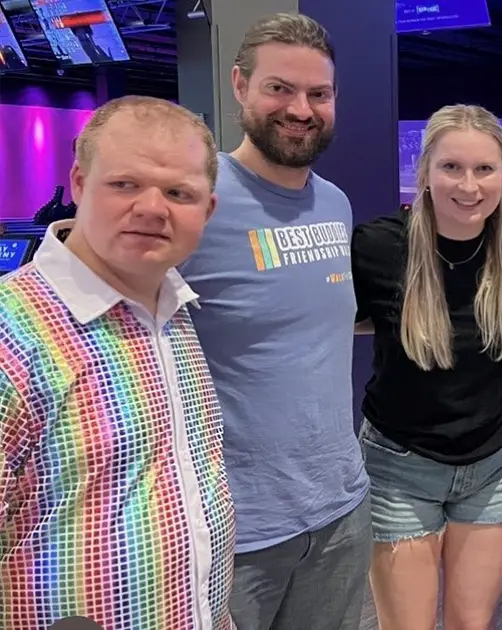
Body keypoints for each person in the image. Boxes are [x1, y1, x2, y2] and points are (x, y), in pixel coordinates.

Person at [0, 96, 232, 629]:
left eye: (179, 193)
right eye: (125, 184)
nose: (153, 208)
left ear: (207, 210)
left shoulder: (173, 310)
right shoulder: (13, 334)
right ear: (79, 185)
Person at [177, 12, 371, 630]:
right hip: (235, 529)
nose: (301, 109)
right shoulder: (196, 204)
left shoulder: (334, 203)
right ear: (239, 85)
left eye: (319, 94)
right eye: (280, 88)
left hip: (341, 510)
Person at [349, 104, 502, 630]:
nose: (468, 185)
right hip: (399, 464)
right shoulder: (378, 247)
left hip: (493, 464)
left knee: (471, 624)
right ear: (426, 173)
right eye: (451, 168)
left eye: (484, 169)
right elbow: (342, 324)